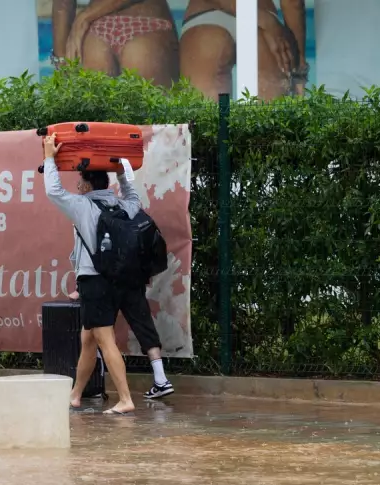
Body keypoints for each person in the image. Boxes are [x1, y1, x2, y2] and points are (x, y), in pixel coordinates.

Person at [42, 134, 174, 415]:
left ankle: (125, 399)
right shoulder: (124, 206)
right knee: (88, 338)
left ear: (86, 183)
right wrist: (123, 175)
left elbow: (53, 191)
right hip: (120, 280)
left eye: (80, 179)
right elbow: (134, 196)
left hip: (94, 282)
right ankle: (75, 396)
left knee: (103, 339)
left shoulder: (83, 206)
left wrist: (49, 158)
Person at [179, 0, 308, 100]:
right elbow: (293, 3)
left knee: (205, 125)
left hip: (206, 16)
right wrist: (298, 68)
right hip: (265, 25)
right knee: (268, 128)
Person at [51, 0, 179, 87]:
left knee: (95, 124)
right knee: (158, 123)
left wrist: (63, 61)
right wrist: (85, 16)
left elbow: (63, 4)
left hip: (94, 35)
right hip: (147, 19)